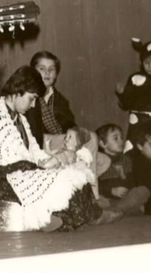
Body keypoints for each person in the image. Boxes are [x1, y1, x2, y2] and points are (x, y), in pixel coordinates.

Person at [0, 66, 123, 232]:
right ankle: (89, 216)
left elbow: (34, 150)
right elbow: (12, 164)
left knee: (73, 173)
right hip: (1, 182)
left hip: (18, 173)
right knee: (64, 179)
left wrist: (47, 161)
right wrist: (48, 165)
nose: (32, 106)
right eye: (31, 99)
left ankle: (55, 218)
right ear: (18, 91)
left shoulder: (19, 118)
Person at [25, 51, 100, 197]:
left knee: (100, 158)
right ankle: (92, 196)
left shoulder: (59, 99)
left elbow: (68, 122)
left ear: (56, 74)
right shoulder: (29, 96)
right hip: (41, 142)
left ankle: (79, 192)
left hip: (62, 141)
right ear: (33, 71)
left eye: (51, 69)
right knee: (91, 140)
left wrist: (74, 135)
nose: (47, 73)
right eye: (41, 68)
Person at [95, 123, 150, 215]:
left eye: (122, 138)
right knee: (96, 199)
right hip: (107, 199)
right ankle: (122, 210)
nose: (121, 141)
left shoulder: (126, 160)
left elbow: (132, 183)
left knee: (143, 190)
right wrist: (111, 190)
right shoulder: (99, 160)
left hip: (124, 199)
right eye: (116, 138)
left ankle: (116, 210)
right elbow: (95, 184)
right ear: (102, 143)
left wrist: (123, 175)